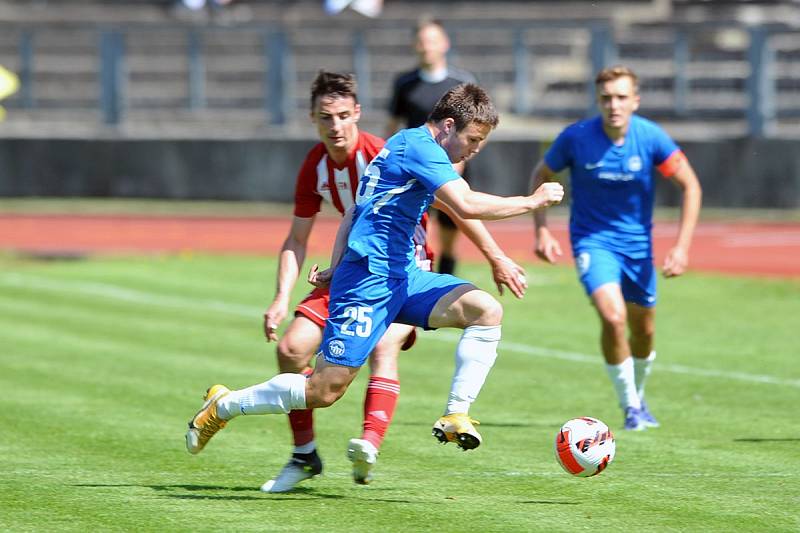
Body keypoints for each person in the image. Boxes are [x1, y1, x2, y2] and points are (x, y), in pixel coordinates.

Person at [185, 84, 564, 484]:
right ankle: (224, 405)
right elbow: (466, 204)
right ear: (449, 126)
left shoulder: (408, 145)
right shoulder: (419, 147)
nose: (474, 150)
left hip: (402, 274)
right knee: (324, 391)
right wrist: (532, 201)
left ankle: (456, 413)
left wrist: (335, 265)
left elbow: (355, 212)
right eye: (473, 140)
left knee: (485, 310)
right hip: (368, 282)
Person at [259, 71, 530, 492]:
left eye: (343, 116)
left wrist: (495, 256)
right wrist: (282, 296)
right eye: (325, 118)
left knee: (386, 345)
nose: (335, 127)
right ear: (313, 118)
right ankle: (303, 452)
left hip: (403, 265)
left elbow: (457, 206)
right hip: (354, 264)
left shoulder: (384, 149)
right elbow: (306, 233)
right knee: (292, 350)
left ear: (358, 115)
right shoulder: (316, 164)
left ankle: (370, 442)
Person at [529, 65, 702, 431]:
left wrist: (682, 247)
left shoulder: (652, 137)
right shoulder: (576, 138)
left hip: (638, 248)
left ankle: (638, 397)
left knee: (645, 331)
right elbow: (540, 174)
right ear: (598, 100)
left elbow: (691, 185)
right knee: (613, 316)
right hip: (593, 242)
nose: (614, 105)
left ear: (635, 101)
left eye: (622, 97)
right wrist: (542, 229)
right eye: (606, 98)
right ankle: (630, 408)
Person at [387, 17, 476, 276]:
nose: (427, 47)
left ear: (445, 44)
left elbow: (477, 128)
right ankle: (414, 278)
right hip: (414, 171)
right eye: (422, 41)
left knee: (450, 231)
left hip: (451, 168)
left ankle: (447, 280)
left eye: (433, 41)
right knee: (413, 228)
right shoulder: (404, 83)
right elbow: (393, 125)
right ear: (415, 45)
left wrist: (459, 162)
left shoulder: (462, 82)